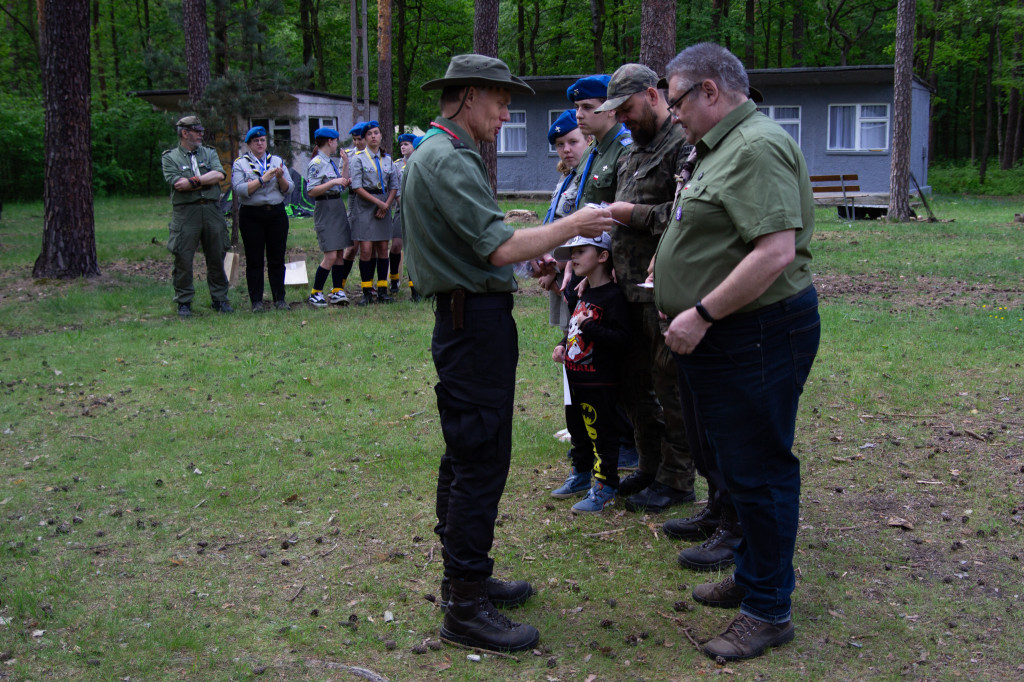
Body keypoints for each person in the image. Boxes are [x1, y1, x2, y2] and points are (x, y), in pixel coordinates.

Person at [401, 53, 615, 653]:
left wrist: (530, 254)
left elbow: (480, 244)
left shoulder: (444, 152)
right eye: (499, 100)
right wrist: (573, 224)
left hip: (471, 320)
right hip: (473, 327)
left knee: (470, 451)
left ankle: (465, 579)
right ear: (469, 95)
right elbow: (495, 248)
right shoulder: (445, 157)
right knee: (480, 457)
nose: (505, 112)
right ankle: (464, 605)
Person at [654, 42, 820, 661]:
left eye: (676, 102)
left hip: (755, 331)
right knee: (734, 466)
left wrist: (701, 312)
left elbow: (775, 251)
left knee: (760, 471)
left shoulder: (754, 147)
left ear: (710, 92)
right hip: (728, 332)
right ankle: (754, 579)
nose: (673, 115)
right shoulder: (722, 148)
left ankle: (769, 609)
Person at [594, 63, 698, 516]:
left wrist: (628, 212)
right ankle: (651, 465)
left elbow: (684, 217)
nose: (623, 119)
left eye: (628, 109)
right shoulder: (631, 150)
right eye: (615, 113)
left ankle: (678, 479)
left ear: (653, 96)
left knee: (668, 383)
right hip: (627, 289)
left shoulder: (684, 145)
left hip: (664, 290)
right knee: (633, 385)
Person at [550, 232, 631, 513]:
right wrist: (563, 345)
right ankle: (581, 474)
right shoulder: (583, 293)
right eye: (572, 251)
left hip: (600, 380)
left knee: (602, 435)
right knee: (578, 431)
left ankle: (606, 485)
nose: (573, 257)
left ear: (602, 256)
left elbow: (623, 339)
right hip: (575, 378)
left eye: (581, 251)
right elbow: (575, 327)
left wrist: (589, 328)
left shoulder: (614, 297)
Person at [161, 115, 233, 318]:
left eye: (201, 130)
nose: (201, 134)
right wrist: (204, 180)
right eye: (196, 130)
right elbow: (177, 183)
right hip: (186, 212)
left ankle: (219, 299)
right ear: (185, 133)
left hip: (211, 209)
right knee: (183, 257)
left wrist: (193, 181)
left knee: (217, 255)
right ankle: (184, 302)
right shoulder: (170, 157)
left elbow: (219, 175)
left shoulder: (209, 153)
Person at [231, 126, 294, 312]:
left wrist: (280, 178)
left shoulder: (276, 160)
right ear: (249, 144)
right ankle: (256, 301)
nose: (260, 143)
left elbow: (289, 188)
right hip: (252, 215)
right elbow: (239, 189)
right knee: (254, 259)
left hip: (276, 214)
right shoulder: (240, 164)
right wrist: (262, 179)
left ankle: (279, 299)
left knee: (277, 258)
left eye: (263, 140)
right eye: (256, 141)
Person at [349, 120, 398, 305]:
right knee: (367, 250)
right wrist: (378, 203)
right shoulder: (358, 159)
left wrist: (386, 205)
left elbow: (394, 185)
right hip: (366, 205)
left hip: (384, 205)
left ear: (381, 135)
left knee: (383, 248)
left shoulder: (387, 159)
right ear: (365, 138)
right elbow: (356, 186)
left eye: (376, 133)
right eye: (369, 134)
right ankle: (367, 291)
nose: (373, 136)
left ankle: (383, 290)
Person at [304, 127, 353, 307]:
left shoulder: (330, 161)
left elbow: (342, 184)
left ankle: (336, 290)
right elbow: (311, 190)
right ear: (330, 141)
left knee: (339, 251)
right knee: (331, 255)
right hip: (325, 207)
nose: (337, 145)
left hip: (336, 205)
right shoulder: (317, 162)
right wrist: (333, 181)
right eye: (336, 141)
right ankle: (316, 292)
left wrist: (345, 164)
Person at [389, 133, 416, 299]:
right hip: (400, 209)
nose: (403, 147)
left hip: (415, 211)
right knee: (396, 245)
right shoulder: (397, 165)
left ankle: (416, 284)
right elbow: (394, 186)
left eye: (406, 144)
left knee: (414, 248)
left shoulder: (419, 162)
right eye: (401, 145)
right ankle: (394, 279)